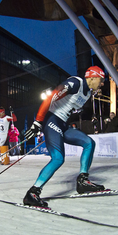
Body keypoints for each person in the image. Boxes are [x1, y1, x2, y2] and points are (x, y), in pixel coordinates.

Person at [23, 65, 106, 207]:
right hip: (52, 120)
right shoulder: (75, 83)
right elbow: (50, 97)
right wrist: (38, 121)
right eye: (101, 80)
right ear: (92, 77)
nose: (102, 83)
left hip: (62, 123)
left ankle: (82, 181)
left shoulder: (87, 94)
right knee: (58, 158)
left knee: (89, 143)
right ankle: (33, 193)